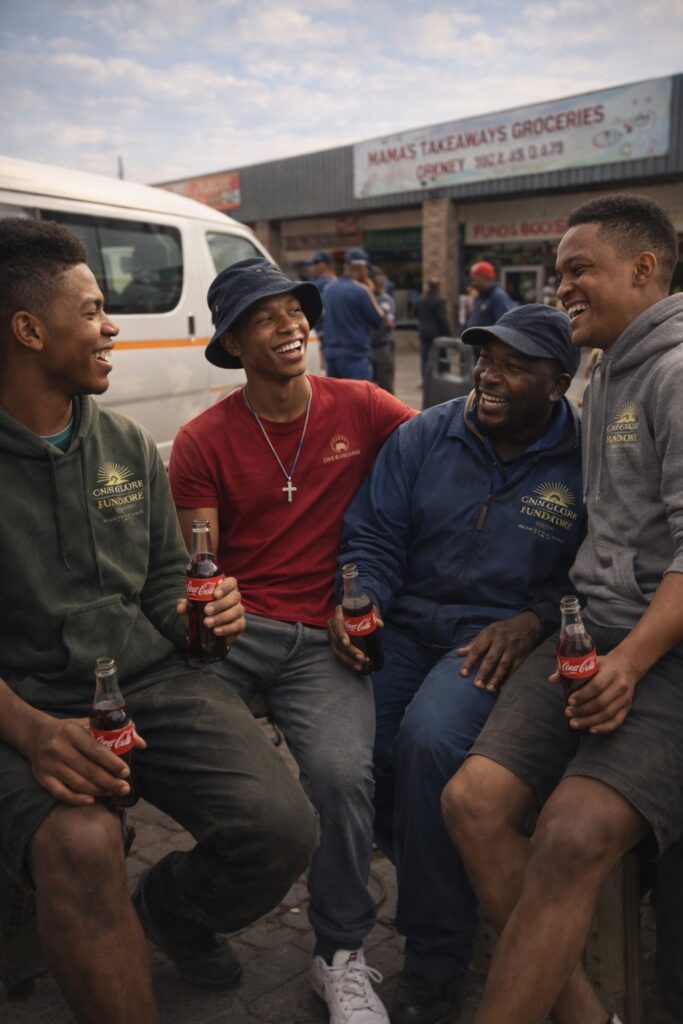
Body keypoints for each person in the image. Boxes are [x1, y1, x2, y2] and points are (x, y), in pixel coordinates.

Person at [0, 220, 318, 1024]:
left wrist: (206, 619)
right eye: (96, 310)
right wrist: (33, 731)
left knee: (279, 828)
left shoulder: (126, 446)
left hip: (145, 679)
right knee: (81, 847)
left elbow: (166, 592)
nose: (113, 328)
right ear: (30, 331)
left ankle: (168, 913)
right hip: (22, 703)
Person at [441, 193, 683, 1024]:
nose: (562, 288)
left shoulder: (675, 372)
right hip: (590, 631)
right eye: (557, 274)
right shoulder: (606, 363)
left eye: (579, 270)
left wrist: (630, 661)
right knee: (470, 803)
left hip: (660, 651)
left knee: (571, 838)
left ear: (642, 268)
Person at [168, 256, 415, 1024]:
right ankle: (180, 903)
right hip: (237, 637)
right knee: (172, 774)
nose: (291, 325)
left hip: (324, 640)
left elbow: (445, 452)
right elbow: (202, 565)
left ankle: (339, 955)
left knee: (344, 783)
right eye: (266, 317)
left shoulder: (364, 405)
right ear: (233, 343)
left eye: (295, 311)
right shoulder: (202, 440)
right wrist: (207, 613)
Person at [328, 304, 584, 1024]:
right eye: (483, 360)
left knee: (430, 742)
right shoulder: (424, 435)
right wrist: (363, 599)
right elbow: (372, 535)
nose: (487, 377)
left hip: (493, 639)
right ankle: (437, 868)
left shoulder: (588, 458)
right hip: (405, 627)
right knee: (355, 749)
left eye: (512, 365)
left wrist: (534, 621)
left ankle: (436, 955)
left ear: (558, 381)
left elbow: (601, 573)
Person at [322, 247, 385, 380]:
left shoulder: (328, 289)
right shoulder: (361, 290)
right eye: (366, 268)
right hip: (355, 358)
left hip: (332, 357)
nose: (367, 272)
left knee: (337, 400)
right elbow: (378, 320)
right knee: (360, 400)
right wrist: (371, 292)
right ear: (361, 267)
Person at [414, 276, 451, 387]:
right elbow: (442, 319)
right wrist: (447, 332)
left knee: (425, 358)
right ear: (438, 287)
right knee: (439, 358)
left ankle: (426, 381)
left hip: (424, 332)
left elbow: (415, 314)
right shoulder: (440, 301)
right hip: (437, 334)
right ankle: (438, 382)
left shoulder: (420, 300)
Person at [369, 267, 396, 394]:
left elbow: (389, 324)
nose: (381, 282)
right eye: (377, 280)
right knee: (367, 388)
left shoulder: (386, 299)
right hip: (367, 348)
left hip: (382, 347)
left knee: (386, 387)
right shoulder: (365, 297)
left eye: (382, 279)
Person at [467, 260, 515, 328]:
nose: (472, 283)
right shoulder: (479, 297)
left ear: (487, 278)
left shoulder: (498, 297)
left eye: (475, 279)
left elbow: (506, 326)